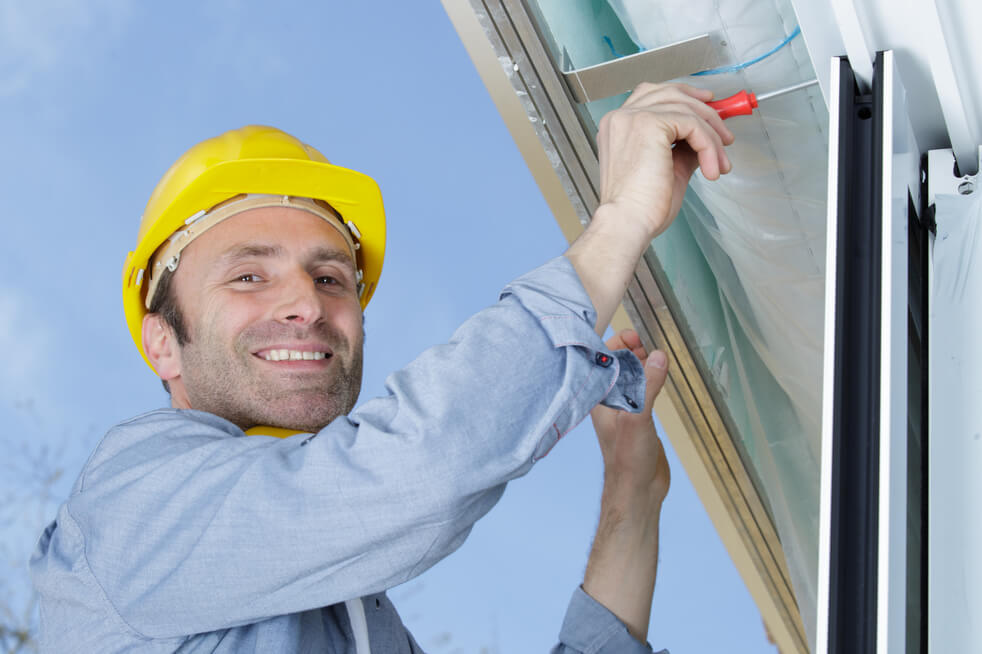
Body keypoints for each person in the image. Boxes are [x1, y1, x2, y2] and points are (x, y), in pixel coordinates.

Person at [31, 82, 733, 653]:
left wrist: (632, 493)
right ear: (162, 344)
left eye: (331, 278)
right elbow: (426, 466)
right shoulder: (132, 510)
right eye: (248, 276)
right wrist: (619, 223)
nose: (306, 303)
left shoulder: (350, 611)